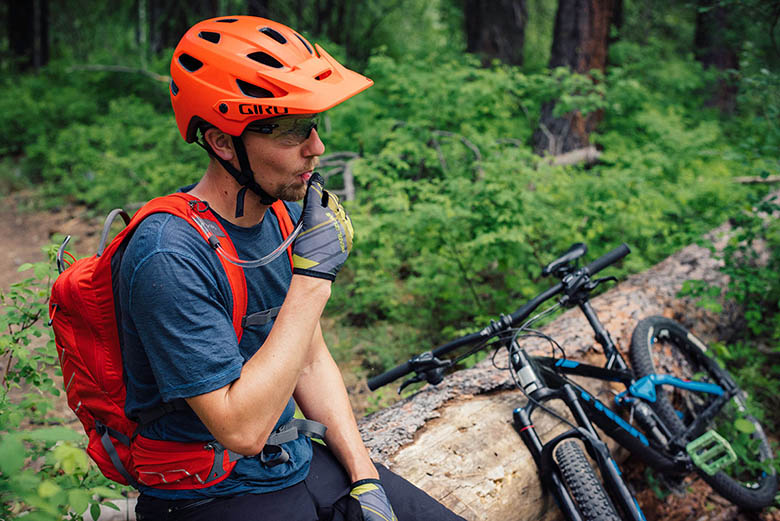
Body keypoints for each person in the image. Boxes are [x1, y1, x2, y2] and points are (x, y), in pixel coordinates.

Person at [118, 15, 467, 521]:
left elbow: (308, 360)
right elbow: (240, 430)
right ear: (221, 142)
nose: (316, 148)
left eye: (313, 126)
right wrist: (313, 279)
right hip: (208, 493)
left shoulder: (280, 214)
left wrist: (364, 478)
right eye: (291, 132)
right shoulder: (169, 254)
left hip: (294, 462)